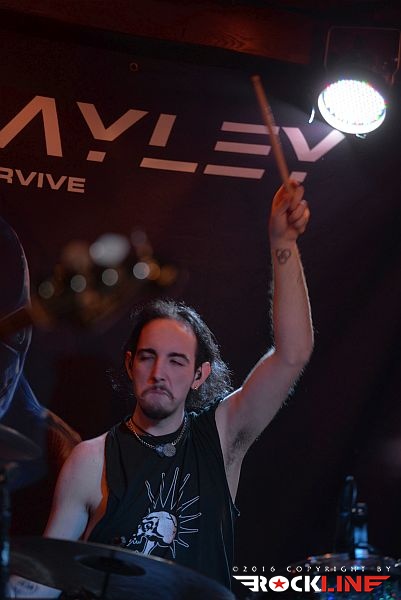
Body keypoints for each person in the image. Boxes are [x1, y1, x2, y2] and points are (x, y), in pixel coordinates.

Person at [9, 182, 313, 596]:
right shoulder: (90, 459)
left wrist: (283, 243)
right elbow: (42, 582)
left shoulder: (221, 437)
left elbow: (292, 354)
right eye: (148, 357)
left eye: (176, 361)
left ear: (199, 375)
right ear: (129, 364)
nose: (159, 373)